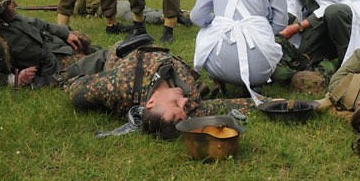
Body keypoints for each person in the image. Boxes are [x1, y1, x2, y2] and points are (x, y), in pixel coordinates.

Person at [63, 44, 269, 139]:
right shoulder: (190, 105)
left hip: (124, 55)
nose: (184, 103)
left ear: (150, 103)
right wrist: (271, 103)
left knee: (86, 55)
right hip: (158, 58)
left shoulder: (117, 88)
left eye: (175, 106)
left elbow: (75, 90)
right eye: (184, 110)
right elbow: (223, 106)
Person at [0, 0, 92, 89]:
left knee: (82, 38)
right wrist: (16, 79)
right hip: (54, 66)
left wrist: (65, 34)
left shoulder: (12, 18)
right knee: (92, 64)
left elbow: (41, 24)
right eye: (9, 3)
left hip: (55, 45)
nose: (15, 5)